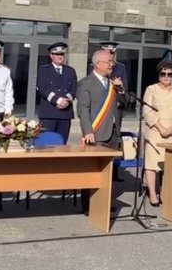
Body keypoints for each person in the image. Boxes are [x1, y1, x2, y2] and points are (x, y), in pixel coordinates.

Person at [77, 49, 127, 215]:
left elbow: (124, 102)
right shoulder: (86, 83)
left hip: (113, 132)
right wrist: (88, 131)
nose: (111, 65)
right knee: (92, 170)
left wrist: (121, 89)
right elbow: (83, 110)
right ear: (98, 64)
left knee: (108, 171)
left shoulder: (113, 82)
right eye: (108, 62)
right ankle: (88, 205)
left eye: (112, 62)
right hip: (96, 133)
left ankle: (104, 202)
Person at [142, 61, 172, 206]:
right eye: (163, 74)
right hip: (155, 131)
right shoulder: (151, 89)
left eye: (169, 74)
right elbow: (147, 111)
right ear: (159, 75)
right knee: (151, 164)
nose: (166, 77)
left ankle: (164, 193)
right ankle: (152, 194)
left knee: (169, 165)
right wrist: (160, 127)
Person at [36, 42, 78, 143]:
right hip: (49, 114)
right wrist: (58, 100)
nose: (60, 57)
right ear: (51, 56)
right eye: (57, 54)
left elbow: (74, 89)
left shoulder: (70, 71)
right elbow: (42, 88)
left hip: (65, 114)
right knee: (46, 144)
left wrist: (67, 101)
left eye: (62, 54)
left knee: (62, 143)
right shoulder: (44, 70)